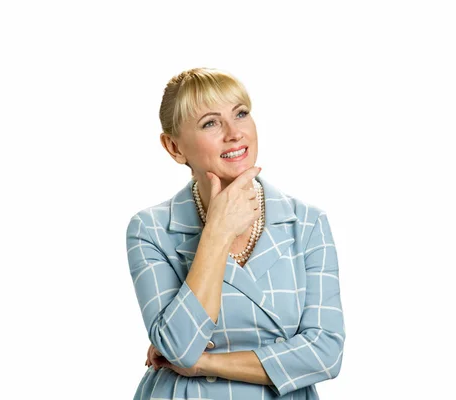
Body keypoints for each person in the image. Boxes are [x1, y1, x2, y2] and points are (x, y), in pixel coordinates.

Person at [125, 67, 345, 399]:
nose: (234, 133)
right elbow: (179, 347)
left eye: (240, 114)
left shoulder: (308, 223)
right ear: (174, 147)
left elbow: (325, 353)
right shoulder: (151, 229)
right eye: (210, 123)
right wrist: (217, 231)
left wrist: (207, 363)